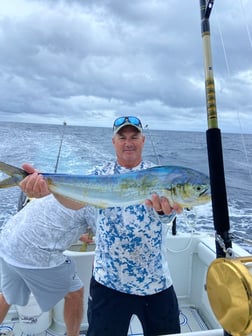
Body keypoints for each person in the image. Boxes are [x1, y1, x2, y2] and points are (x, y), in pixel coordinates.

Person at [18, 116, 182, 336]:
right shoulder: (99, 174)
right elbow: (75, 202)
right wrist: (48, 189)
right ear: (113, 142)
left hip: (156, 282)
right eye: (122, 137)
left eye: (134, 136)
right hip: (108, 283)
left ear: (143, 140)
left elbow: (165, 217)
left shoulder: (161, 176)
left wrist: (164, 211)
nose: (128, 142)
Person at [0, 193, 95, 336]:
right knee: (75, 293)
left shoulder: (64, 190)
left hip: (8, 241)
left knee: (8, 295)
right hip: (34, 253)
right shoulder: (94, 202)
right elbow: (108, 238)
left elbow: (60, 215)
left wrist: (80, 235)